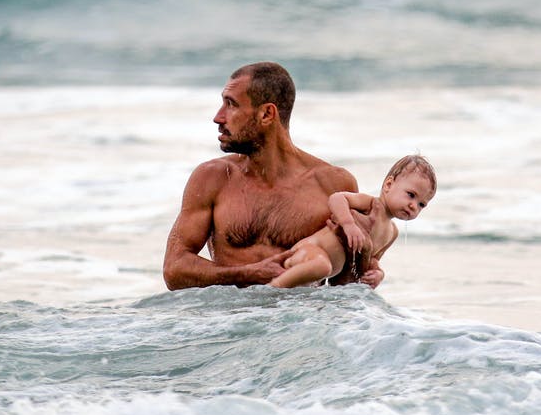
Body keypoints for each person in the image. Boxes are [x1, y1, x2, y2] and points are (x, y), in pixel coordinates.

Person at [163, 62, 385, 289]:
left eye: (231, 104)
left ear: (267, 114)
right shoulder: (212, 179)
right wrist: (248, 274)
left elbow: (343, 289)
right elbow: (174, 270)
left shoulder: (334, 186)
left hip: (301, 321)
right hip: (230, 318)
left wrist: (363, 267)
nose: (218, 117)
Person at [269, 155, 436, 288]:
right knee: (322, 266)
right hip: (309, 253)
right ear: (388, 185)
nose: (413, 206)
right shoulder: (371, 204)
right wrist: (348, 224)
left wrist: (378, 274)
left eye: (422, 204)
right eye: (411, 195)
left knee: (318, 284)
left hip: (317, 276)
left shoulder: (392, 232)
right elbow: (337, 198)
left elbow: (373, 259)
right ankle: (272, 289)